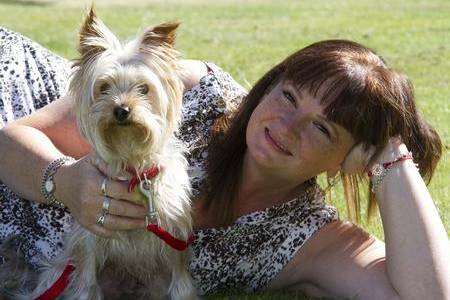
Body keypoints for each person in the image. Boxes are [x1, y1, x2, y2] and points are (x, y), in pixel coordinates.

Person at [0, 26, 448, 299]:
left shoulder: (310, 238)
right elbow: (12, 137)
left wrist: (391, 154)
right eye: (288, 96)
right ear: (267, 86)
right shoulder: (199, 92)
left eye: (322, 128)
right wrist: (60, 181)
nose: (286, 125)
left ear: (347, 159)